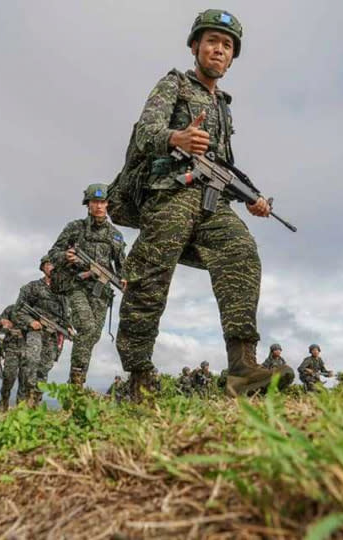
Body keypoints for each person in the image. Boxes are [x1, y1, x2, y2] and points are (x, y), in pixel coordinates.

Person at [115, 9, 295, 398]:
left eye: (227, 45)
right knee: (151, 277)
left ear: (232, 57)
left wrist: (252, 198)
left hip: (212, 205)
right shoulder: (174, 85)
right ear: (195, 46)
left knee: (241, 252)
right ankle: (139, 375)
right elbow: (146, 131)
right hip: (170, 193)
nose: (219, 49)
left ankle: (243, 366)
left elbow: (221, 165)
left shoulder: (224, 106)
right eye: (212, 41)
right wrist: (176, 138)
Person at [46, 184, 127, 386]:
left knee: (92, 336)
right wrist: (66, 256)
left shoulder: (115, 235)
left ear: (108, 204)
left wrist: (124, 277)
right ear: (88, 204)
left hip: (101, 291)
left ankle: (77, 380)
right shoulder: (74, 228)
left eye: (102, 202)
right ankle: (76, 383)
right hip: (77, 285)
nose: (99, 206)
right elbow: (52, 254)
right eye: (95, 202)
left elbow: (122, 265)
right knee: (87, 327)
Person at [13, 260, 73, 405]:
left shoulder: (63, 291)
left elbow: (66, 314)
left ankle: (35, 402)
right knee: (32, 362)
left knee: (44, 368)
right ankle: (24, 400)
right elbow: (18, 310)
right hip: (36, 332)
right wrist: (30, 322)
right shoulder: (32, 287)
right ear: (43, 268)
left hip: (53, 334)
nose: (52, 267)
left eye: (54, 265)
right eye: (49, 264)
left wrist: (69, 326)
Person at [0, 304, 27, 411]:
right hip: (12, 347)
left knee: (25, 379)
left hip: (29, 348)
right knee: (9, 376)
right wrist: (3, 323)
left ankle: (21, 407)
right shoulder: (11, 308)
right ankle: (4, 400)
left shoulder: (37, 310)